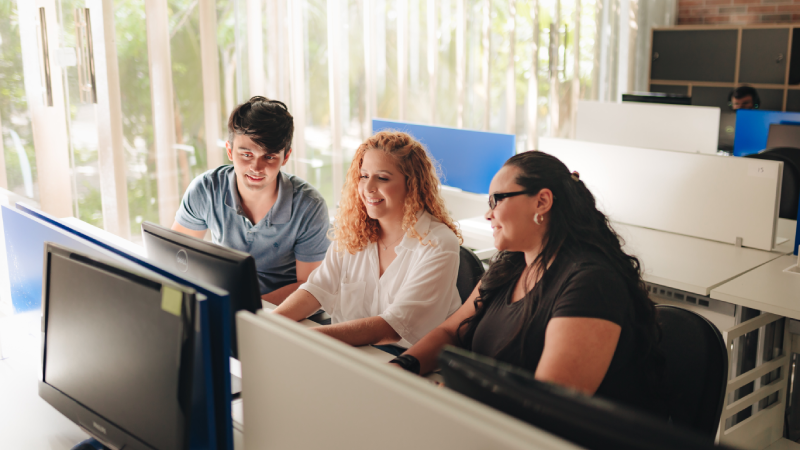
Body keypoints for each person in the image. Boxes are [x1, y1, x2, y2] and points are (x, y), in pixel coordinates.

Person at [390, 151, 665, 416]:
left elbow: (549, 402)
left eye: (497, 200)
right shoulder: (511, 265)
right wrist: (401, 367)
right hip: (494, 424)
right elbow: (451, 333)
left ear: (542, 201)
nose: (489, 214)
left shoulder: (592, 282)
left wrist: (462, 396)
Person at [272, 131, 463, 353]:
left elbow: (392, 327)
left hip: (409, 364)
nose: (368, 187)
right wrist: (270, 324)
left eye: (382, 178)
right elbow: (317, 289)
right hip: (352, 353)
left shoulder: (438, 244)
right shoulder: (354, 230)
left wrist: (304, 338)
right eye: (363, 176)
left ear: (412, 185)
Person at [172, 96, 330, 306]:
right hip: (227, 306)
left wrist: (245, 308)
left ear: (286, 157)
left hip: (286, 314)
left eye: (269, 157)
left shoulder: (309, 206)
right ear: (229, 150)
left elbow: (310, 287)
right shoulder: (206, 190)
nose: (256, 167)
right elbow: (175, 259)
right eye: (246, 154)